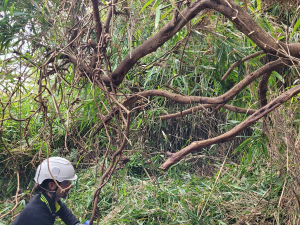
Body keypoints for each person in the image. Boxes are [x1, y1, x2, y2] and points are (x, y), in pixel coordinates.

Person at [12, 157, 89, 225]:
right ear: (52, 186)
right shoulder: (38, 213)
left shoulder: (49, 201)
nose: (70, 186)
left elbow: (64, 212)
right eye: (66, 182)